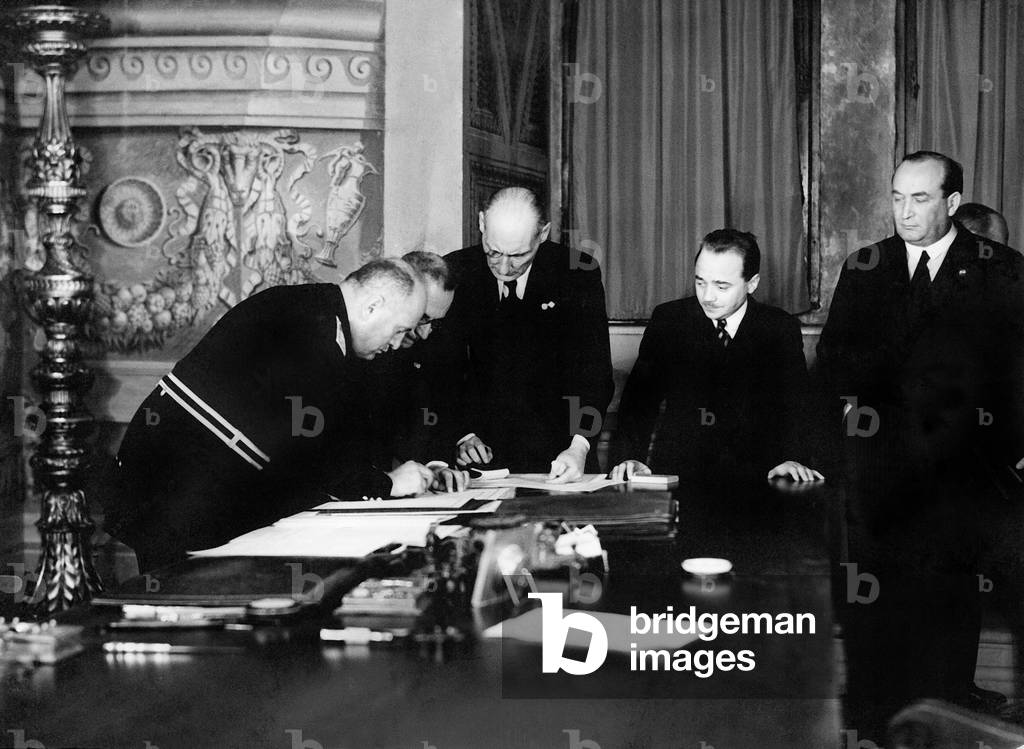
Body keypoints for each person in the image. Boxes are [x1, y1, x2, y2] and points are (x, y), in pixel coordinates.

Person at [818, 150, 1024, 728]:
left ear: (953, 203)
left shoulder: (1001, 269)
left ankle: (948, 719)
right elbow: (834, 364)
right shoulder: (865, 267)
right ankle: (874, 725)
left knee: (948, 604)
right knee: (878, 608)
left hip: (966, 470)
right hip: (881, 468)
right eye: (896, 197)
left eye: (921, 199)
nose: (904, 213)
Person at [102, 259, 466, 573]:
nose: (396, 343)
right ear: (373, 306)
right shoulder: (312, 328)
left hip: (191, 484)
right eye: (400, 329)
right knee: (188, 615)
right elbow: (315, 453)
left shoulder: (317, 313)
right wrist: (388, 485)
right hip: (172, 491)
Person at [609, 229, 823, 485]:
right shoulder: (669, 321)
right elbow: (639, 401)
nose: (707, 296)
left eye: (722, 286)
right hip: (682, 474)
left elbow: (797, 405)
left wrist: (794, 458)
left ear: (752, 283)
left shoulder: (779, 328)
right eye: (700, 282)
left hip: (759, 477)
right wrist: (630, 457)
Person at [443, 186, 614, 481]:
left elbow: (594, 373)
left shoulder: (577, 274)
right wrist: (462, 435)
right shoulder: (455, 271)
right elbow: (441, 370)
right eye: (493, 252)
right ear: (482, 223)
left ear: (543, 233)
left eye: (519, 255)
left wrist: (580, 445)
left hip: (560, 457)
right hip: (479, 462)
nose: (504, 267)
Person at [364, 250, 464, 466]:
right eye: (422, 317)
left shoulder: (435, 346)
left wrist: (436, 468)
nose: (425, 333)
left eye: (435, 322)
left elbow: (432, 420)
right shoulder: (362, 346)